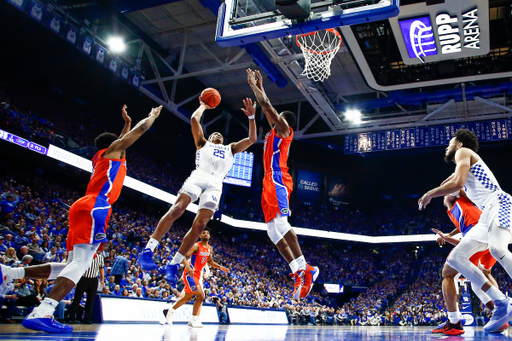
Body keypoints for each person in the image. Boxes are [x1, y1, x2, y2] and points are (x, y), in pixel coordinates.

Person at [0, 104, 162, 333]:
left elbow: (124, 138)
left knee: (70, 265)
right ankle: (43, 312)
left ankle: (10, 272)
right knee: (81, 264)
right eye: (120, 142)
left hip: (83, 205)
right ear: (115, 145)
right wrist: (151, 117)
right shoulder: (114, 152)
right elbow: (140, 131)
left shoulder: (104, 157)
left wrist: (125, 123)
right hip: (97, 205)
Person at [138, 98, 256, 284]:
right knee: (177, 209)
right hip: (199, 175)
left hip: (216, 183)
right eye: (214, 133)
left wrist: (251, 117)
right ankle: (148, 251)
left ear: (223, 140)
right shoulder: (202, 143)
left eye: (220, 134)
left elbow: (252, 139)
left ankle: (174, 265)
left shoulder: (230, 149)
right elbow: (194, 119)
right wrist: (203, 105)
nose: (217, 134)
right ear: (209, 138)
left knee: (200, 226)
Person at [418, 129, 512, 332]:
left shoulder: (464, 152)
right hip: (486, 216)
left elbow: (457, 183)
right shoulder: (464, 171)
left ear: (459, 145)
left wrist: (429, 194)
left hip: (499, 203)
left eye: (450, 143)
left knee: (497, 249)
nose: (447, 146)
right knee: (455, 260)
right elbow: (454, 182)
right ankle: (502, 302)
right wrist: (451, 234)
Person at [246, 68, 318, 299]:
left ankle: (306, 268)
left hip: (278, 178)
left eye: (276, 118)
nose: (271, 120)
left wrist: (255, 86)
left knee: (281, 223)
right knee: (272, 232)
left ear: (283, 120)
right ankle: (297, 270)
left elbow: (267, 107)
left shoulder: (285, 130)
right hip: (268, 179)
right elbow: (267, 111)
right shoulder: (272, 132)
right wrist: (261, 87)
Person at [431, 192, 506, 335]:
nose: (444, 196)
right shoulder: (457, 214)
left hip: (481, 235)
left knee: (448, 273)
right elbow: (463, 232)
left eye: (446, 195)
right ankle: (500, 315)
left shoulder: (460, 200)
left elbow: (455, 184)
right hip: (491, 237)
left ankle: (454, 322)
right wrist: (447, 236)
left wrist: (430, 194)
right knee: (481, 278)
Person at [161, 228, 229, 328]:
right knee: (201, 296)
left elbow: (209, 262)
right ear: (200, 236)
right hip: (191, 274)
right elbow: (183, 255)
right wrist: (188, 267)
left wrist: (220, 267)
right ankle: (193, 319)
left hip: (197, 274)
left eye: (207, 233)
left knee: (188, 297)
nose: (206, 234)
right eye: (203, 233)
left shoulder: (209, 248)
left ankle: (169, 311)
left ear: (209, 236)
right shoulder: (196, 246)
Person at [68, 249, 105, 324]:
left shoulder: (100, 257)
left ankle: (87, 318)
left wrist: (102, 279)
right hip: (83, 279)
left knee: (90, 300)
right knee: (77, 299)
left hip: (93, 280)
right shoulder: (84, 256)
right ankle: (71, 317)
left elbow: (101, 268)